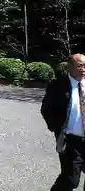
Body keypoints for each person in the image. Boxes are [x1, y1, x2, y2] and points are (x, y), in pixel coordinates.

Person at [41, 54, 85, 191]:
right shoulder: (57, 86)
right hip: (71, 141)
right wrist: (58, 129)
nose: (84, 69)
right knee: (71, 179)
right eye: (80, 66)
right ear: (71, 66)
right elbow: (46, 109)